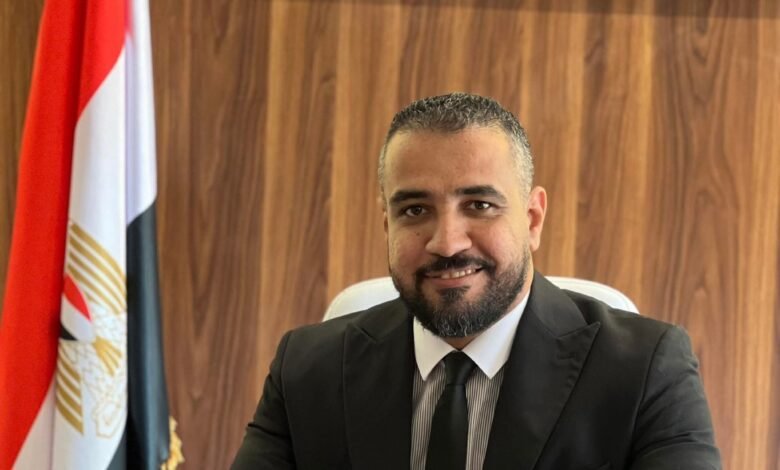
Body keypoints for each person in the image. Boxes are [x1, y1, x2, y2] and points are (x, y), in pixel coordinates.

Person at [231, 93, 721, 469]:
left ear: (532, 219)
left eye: (479, 205)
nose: (447, 242)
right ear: (387, 224)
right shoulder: (306, 370)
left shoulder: (646, 370)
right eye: (415, 210)